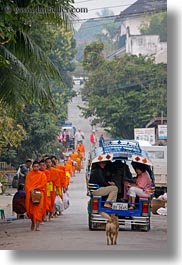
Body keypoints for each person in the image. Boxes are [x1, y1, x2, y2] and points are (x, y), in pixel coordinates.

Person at [25, 161, 47, 231]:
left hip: (40, 194)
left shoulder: (42, 174)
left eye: (37, 166)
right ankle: (33, 222)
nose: (36, 168)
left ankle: (37, 226)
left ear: (39, 167)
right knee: (31, 210)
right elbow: (27, 185)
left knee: (39, 210)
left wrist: (36, 188)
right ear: (32, 167)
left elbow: (43, 184)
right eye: (35, 166)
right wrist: (31, 190)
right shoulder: (29, 174)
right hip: (31, 194)